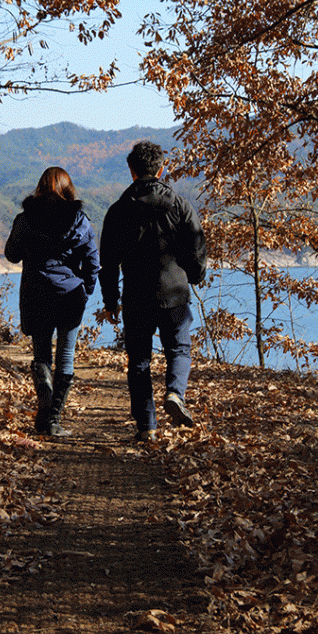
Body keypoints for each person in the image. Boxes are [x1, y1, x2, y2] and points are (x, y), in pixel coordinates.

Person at [99, 141, 207, 442]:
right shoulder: (181, 207)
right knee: (179, 349)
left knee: (139, 361)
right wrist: (195, 275)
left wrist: (110, 300)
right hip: (174, 292)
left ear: (132, 172)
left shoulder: (118, 211)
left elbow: (107, 262)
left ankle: (147, 426)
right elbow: (196, 248)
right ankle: (175, 392)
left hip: (135, 295)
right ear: (161, 169)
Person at [5, 166, 100, 437]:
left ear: (39, 187)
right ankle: (53, 419)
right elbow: (93, 262)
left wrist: (26, 246)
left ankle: (44, 411)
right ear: (68, 189)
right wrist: (86, 291)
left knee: (42, 355)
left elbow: (11, 255)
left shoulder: (25, 219)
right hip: (70, 295)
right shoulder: (80, 221)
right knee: (66, 356)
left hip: (36, 293)